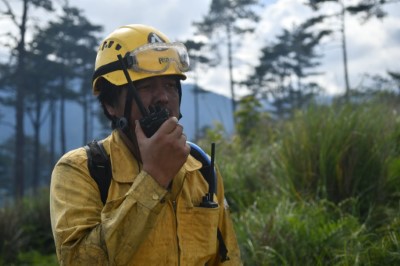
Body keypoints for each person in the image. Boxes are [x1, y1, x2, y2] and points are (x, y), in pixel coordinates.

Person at [49, 24, 241, 265]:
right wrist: (154, 178)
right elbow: (79, 261)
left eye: (170, 85)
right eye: (146, 87)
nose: (163, 97)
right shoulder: (81, 170)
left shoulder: (201, 168)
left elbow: (228, 258)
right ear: (111, 105)